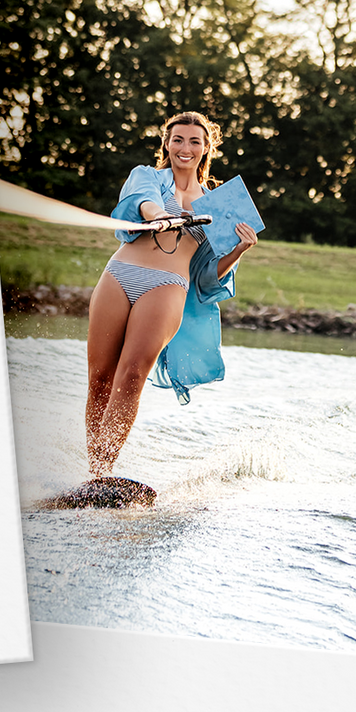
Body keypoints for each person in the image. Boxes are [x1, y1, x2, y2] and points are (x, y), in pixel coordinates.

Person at [85, 110, 259, 478]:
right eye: (178, 139)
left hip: (167, 287)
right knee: (100, 376)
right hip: (119, 274)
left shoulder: (219, 206)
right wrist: (159, 215)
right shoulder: (146, 176)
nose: (185, 147)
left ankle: (104, 471)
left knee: (131, 375)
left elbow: (209, 277)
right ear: (167, 143)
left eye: (195, 141)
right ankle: (92, 474)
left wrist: (238, 249)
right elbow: (141, 201)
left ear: (206, 147)